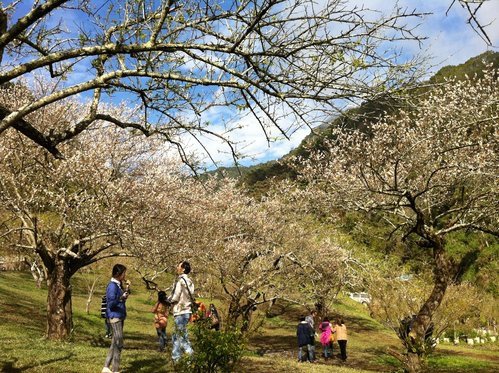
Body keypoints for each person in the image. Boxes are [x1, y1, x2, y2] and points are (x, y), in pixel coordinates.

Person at [102, 264, 129, 373]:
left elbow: (120, 300)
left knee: (114, 342)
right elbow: (111, 303)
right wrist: (121, 297)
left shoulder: (118, 285)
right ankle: (115, 370)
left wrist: (126, 291)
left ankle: (106, 367)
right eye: (124, 273)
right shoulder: (112, 286)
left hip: (119, 315)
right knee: (119, 343)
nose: (125, 275)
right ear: (119, 273)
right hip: (115, 317)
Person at [167, 260, 194, 363]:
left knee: (180, 336)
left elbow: (176, 296)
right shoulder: (190, 282)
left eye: (178, 266)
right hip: (187, 311)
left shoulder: (180, 281)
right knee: (177, 335)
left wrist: (169, 301)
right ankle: (177, 357)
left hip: (180, 311)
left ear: (183, 268)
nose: (177, 268)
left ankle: (187, 356)